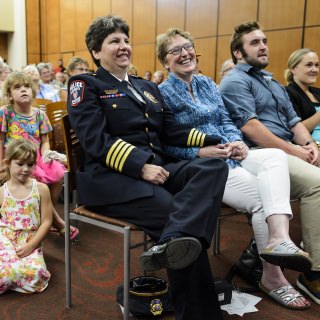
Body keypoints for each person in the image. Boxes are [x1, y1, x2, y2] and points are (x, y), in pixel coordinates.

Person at [67, 15, 229, 320]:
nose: (123, 46)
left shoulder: (146, 87)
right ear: (96, 52)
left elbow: (171, 132)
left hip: (158, 170)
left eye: (125, 40)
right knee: (175, 216)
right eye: (114, 41)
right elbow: (94, 141)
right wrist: (140, 166)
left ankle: (173, 241)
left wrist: (213, 141)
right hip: (110, 179)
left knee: (213, 168)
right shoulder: (85, 84)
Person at [157, 27, 312, 310]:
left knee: (275, 157)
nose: (185, 53)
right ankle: (272, 276)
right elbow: (164, 141)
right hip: (204, 168)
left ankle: (279, 238)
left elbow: (226, 120)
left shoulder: (206, 83)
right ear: (164, 61)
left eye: (188, 47)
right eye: (175, 50)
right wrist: (199, 151)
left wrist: (237, 142)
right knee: (262, 202)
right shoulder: (162, 93)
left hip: (231, 154)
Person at [219, 21, 320, 305]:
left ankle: (308, 248)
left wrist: (309, 146)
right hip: (257, 155)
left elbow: (293, 122)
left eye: (264, 41)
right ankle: (314, 273)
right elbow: (251, 129)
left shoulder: (272, 82)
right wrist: (295, 151)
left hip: (287, 150)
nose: (263, 46)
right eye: (254, 43)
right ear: (238, 53)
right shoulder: (235, 81)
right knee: (317, 185)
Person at [0, 71, 79, 240]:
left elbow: (44, 141)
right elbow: (1, 141)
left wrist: (45, 155)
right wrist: (2, 163)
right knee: (32, 176)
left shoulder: (39, 114)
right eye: (17, 87)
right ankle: (55, 220)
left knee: (58, 173)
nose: (23, 90)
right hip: (15, 159)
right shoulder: (5, 113)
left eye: (27, 86)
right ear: (9, 95)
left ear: (33, 90)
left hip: (35, 157)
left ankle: (45, 215)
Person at [0, 139, 52, 294]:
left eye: (30, 164)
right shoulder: (2, 191)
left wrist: (31, 245)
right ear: (8, 162)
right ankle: (12, 277)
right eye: (20, 163)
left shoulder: (42, 189)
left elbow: (47, 221)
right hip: (5, 240)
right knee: (8, 269)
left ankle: (10, 278)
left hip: (30, 240)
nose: (25, 169)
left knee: (38, 275)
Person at [285, 48, 320, 144]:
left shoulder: (317, 92)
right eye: (309, 65)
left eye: (317, 65)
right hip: (309, 147)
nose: (314, 69)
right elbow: (294, 130)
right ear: (293, 69)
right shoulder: (287, 93)